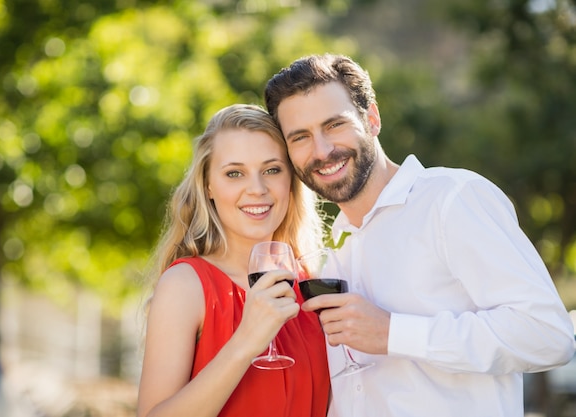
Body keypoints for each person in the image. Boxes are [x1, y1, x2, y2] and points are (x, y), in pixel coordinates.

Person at [264, 54, 576, 416]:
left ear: (372, 119)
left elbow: (548, 335)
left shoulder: (451, 199)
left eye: (334, 124)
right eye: (300, 137)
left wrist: (395, 333)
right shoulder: (338, 239)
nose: (321, 150)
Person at [136, 104, 330, 417]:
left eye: (271, 170)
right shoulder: (185, 285)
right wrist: (246, 342)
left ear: (291, 181)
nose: (257, 189)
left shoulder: (309, 283)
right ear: (208, 186)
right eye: (234, 173)